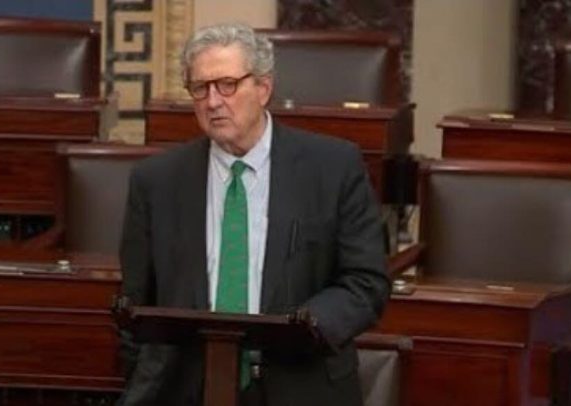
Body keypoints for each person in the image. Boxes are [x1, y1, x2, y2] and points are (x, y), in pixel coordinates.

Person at [118, 22, 389, 406]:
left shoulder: (333, 167)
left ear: (263, 88)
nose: (213, 101)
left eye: (227, 84)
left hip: (302, 383)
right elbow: (135, 305)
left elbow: (366, 282)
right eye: (200, 88)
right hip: (189, 389)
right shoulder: (156, 181)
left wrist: (301, 329)